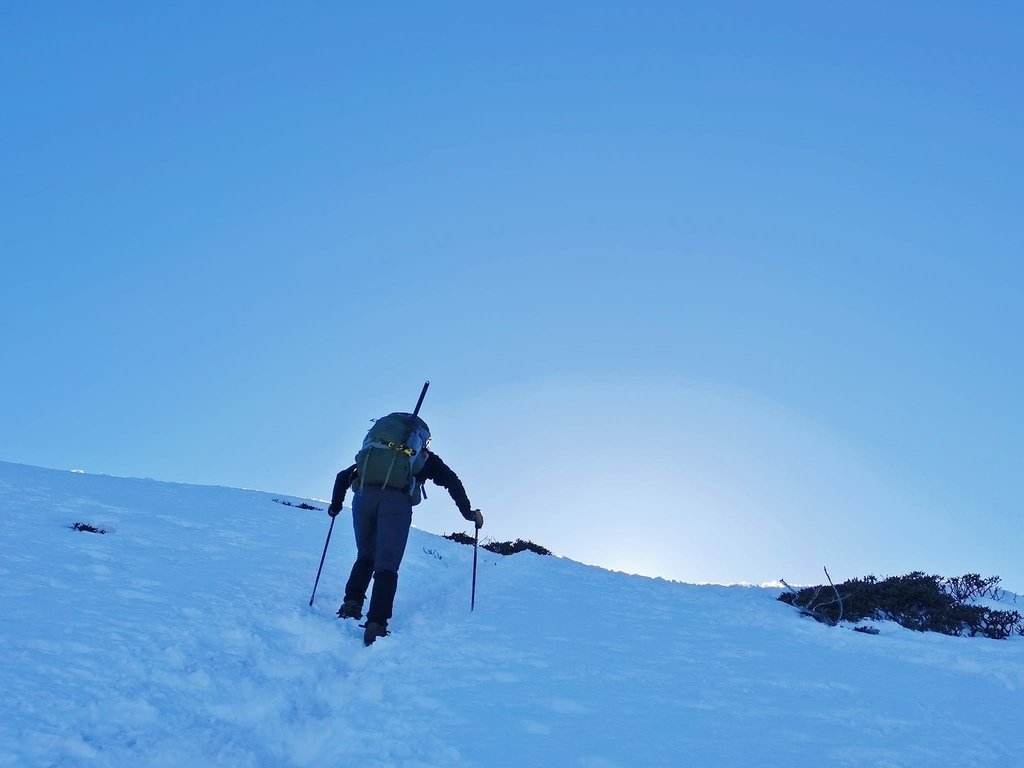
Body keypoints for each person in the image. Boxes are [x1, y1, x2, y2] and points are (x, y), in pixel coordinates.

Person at [328, 445, 483, 646]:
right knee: (387, 563)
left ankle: (351, 604)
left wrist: (335, 505)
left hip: (363, 499)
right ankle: (376, 624)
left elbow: (343, 476)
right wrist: (468, 512)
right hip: (397, 503)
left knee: (366, 555)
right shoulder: (423, 456)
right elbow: (452, 482)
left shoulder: (378, 451)